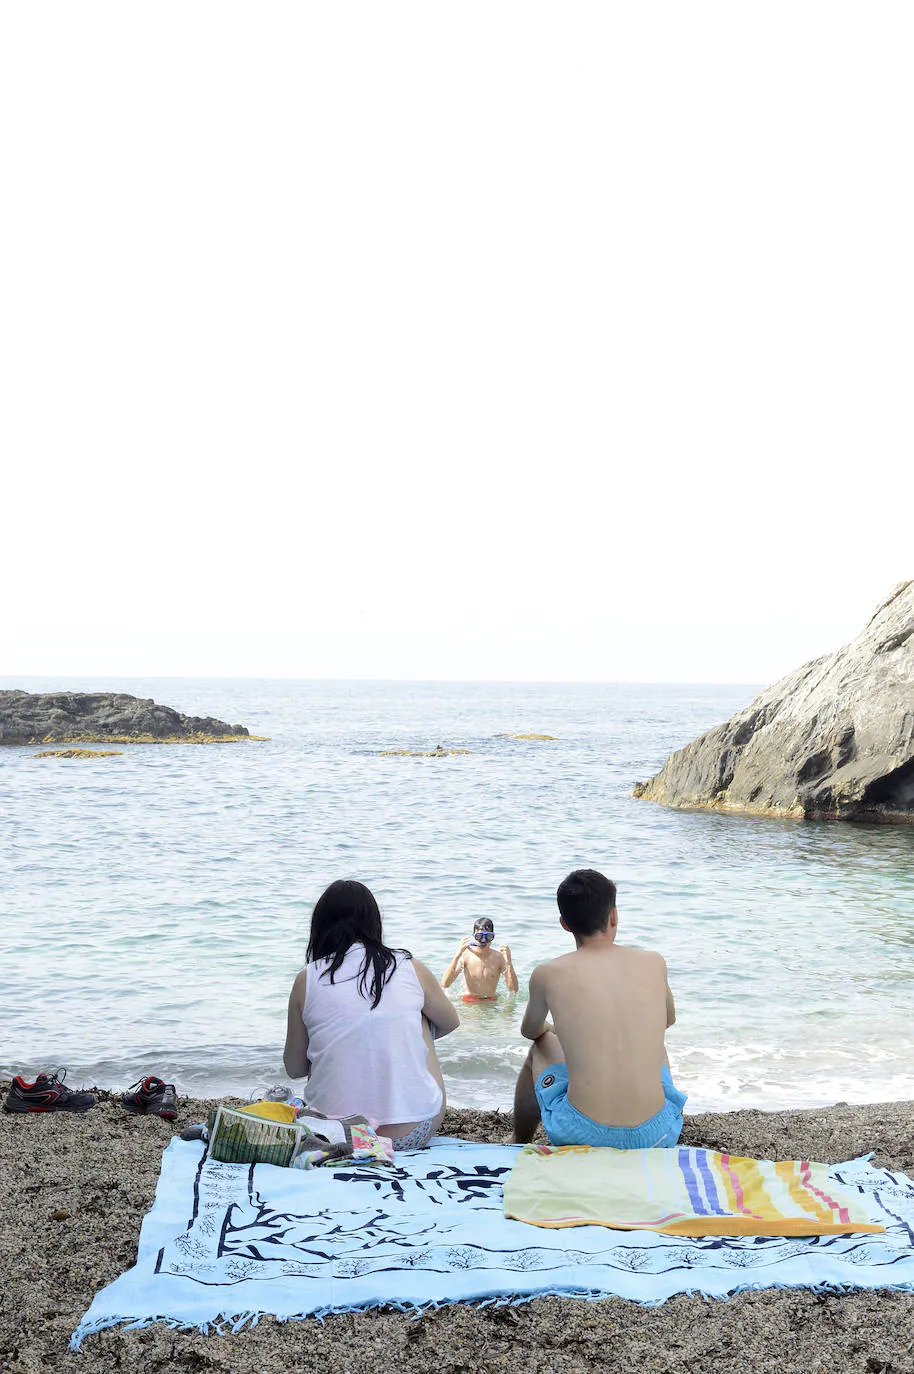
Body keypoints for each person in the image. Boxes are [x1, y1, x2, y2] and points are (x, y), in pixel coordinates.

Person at [512, 868, 686, 1148]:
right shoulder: (654, 962)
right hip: (658, 1133)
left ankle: (519, 1139)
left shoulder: (547, 973)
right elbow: (667, 1020)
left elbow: (529, 1030)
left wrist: (552, 1030)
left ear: (565, 924)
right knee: (656, 1044)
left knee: (542, 1043)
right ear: (614, 915)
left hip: (581, 1134)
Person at [284, 879, 459, 1151]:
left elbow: (294, 1068)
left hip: (335, 1136)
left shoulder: (307, 978)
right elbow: (450, 1021)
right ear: (374, 923)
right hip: (410, 1131)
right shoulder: (406, 965)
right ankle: (400, 1100)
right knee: (421, 1018)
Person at [441, 917, 519, 1001]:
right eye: (479, 936)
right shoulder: (465, 956)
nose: (483, 940)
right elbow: (445, 984)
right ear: (474, 936)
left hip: (490, 1003)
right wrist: (457, 955)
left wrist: (509, 963)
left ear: (492, 937)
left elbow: (513, 990)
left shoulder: (499, 958)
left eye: (487, 936)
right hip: (469, 1003)